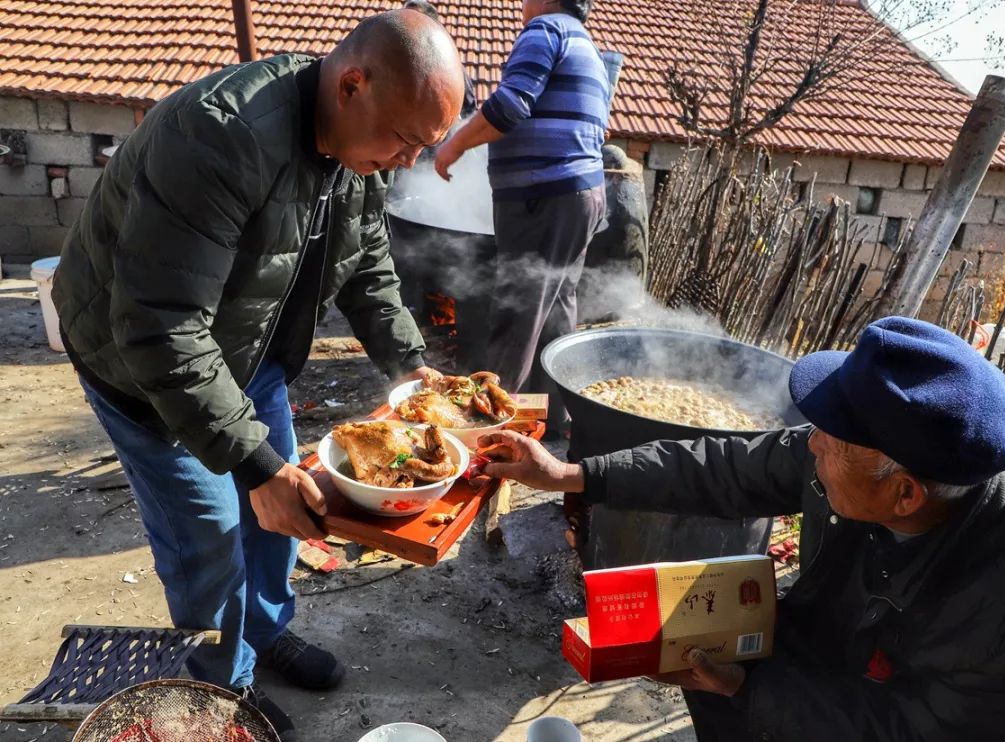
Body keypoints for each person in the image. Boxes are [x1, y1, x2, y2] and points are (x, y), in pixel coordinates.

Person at [52, 11, 464, 741]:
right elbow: (161, 327)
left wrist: (414, 369)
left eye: (419, 148)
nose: (406, 162)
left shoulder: (358, 150)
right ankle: (221, 689)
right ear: (352, 84)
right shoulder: (217, 137)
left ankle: (264, 635)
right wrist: (251, 463)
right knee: (211, 532)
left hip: (250, 351)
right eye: (404, 141)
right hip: (143, 369)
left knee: (286, 506)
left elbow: (366, 264)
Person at [479, 317, 1005, 741]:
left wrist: (749, 690)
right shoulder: (886, 453)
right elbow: (727, 468)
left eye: (830, 439)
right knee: (720, 670)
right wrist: (571, 474)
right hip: (855, 645)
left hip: (928, 716)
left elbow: (907, 732)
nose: (810, 441)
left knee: (746, 691)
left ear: (903, 493)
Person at [434, 0, 609, 434]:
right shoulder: (586, 44)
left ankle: (488, 429)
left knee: (520, 310)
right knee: (556, 310)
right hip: (580, 194)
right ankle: (551, 419)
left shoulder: (545, 30)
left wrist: (453, 145)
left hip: (544, 197)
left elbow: (510, 106)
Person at [402, 0, 478, 117]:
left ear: (431, 26)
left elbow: (468, 112)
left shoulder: (450, 69)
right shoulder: (390, 61)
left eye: (412, 19)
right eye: (402, 17)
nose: (404, 24)